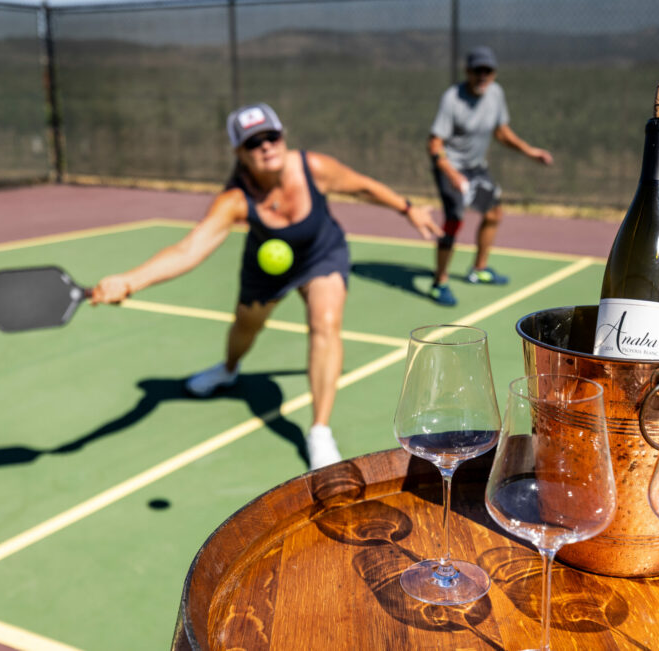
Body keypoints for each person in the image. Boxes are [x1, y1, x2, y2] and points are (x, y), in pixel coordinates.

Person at [90, 103, 441, 469]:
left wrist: (408, 208)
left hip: (322, 253)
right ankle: (228, 369)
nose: (266, 146)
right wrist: (130, 280)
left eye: (271, 136)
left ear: (283, 137)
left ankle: (319, 431)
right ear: (239, 154)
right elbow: (189, 249)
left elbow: (363, 187)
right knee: (246, 326)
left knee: (325, 323)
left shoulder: (313, 168)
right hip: (265, 268)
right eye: (253, 142)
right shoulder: (235, 200)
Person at [427, 45, 554, 306]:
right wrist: (452, 174)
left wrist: (531, 152)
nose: (483, 76)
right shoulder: (452, 98)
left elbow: (501, 133)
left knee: (494, 213)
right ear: (467, 72)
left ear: (494, 74)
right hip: (450, 167)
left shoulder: (495, 94)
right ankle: (440, 282)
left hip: (475, 168)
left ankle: (478, 270)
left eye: (488, 71)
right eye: (478, 71)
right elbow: (434, 144)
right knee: (454, 220)